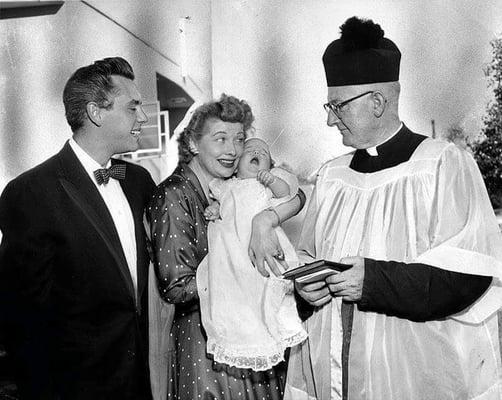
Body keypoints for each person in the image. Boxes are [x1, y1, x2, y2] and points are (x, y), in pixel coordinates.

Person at [284, 17, 502, 400]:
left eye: (338, 106)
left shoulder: (442, 165)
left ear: (378, 102)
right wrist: (305, 289)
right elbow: (306, 257)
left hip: (414, 371)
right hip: (332, 369)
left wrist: (374, 281)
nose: (329, 118)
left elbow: (468, 274)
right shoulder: (332, 177)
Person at [0, 57, 155, 400]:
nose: (143, 118)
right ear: (96, 113)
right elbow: (20, 317)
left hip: (141, 382)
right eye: (133, 108)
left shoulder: (139, 182)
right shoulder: (31, 193)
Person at [147, 94, 305, 400]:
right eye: (220, 139)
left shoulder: (237, 187)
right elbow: (176, 286)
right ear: (193, 143)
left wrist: (267, 219)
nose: (232, 150)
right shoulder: (173, 195)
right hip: (205, 348)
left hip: (249, 336)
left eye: (239, 139)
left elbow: (297, 195)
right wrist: (245, 276)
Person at [197, 137, 307, 372]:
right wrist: (215, 209)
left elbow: (286, 195)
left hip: (263, 249)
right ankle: (243, 336)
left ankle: (279, 327)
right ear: (236, 165)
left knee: (267, 288)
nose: (258, 152)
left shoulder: (266, 184)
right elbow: (222, 203)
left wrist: (273, 181)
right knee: (238, 295)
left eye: (264, 153)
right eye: (250, 150)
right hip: (234, 252)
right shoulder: (226, 186)